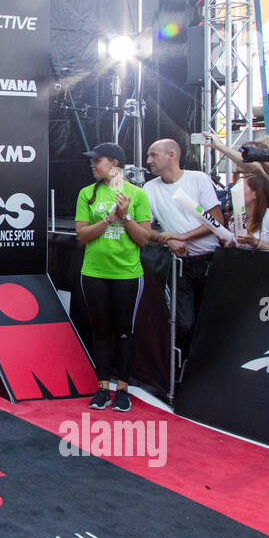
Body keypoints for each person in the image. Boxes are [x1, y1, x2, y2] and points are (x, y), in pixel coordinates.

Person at [75, 143, 152, 412]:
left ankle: (123, 389)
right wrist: (109, 219)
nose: (93, 165)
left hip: (127, 273)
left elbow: (144, 239)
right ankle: (101, 387)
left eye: (98, 160)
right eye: (92, 161)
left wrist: (126, 216)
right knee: (100, 332)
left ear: (115, 164)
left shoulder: (137, 194)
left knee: (124, 332)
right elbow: (82, 236)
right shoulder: (87, 193)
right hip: (94, 272)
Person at [143, 138, 225, 361]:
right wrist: (165, 240)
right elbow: (143, 229)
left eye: (153, 155)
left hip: (210, 261)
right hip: (181, 266)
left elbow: (216, 220)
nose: (148, 160)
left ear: (171, 155)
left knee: (212, 322)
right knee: (184, 323)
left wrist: (182, 236)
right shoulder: (149, 188)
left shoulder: (198, 179)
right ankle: (183, 372)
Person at [226, 173, 269, 251]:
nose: (235, 191)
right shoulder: (234, 217)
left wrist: (258, 244)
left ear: (255, 194)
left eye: (241, 188)